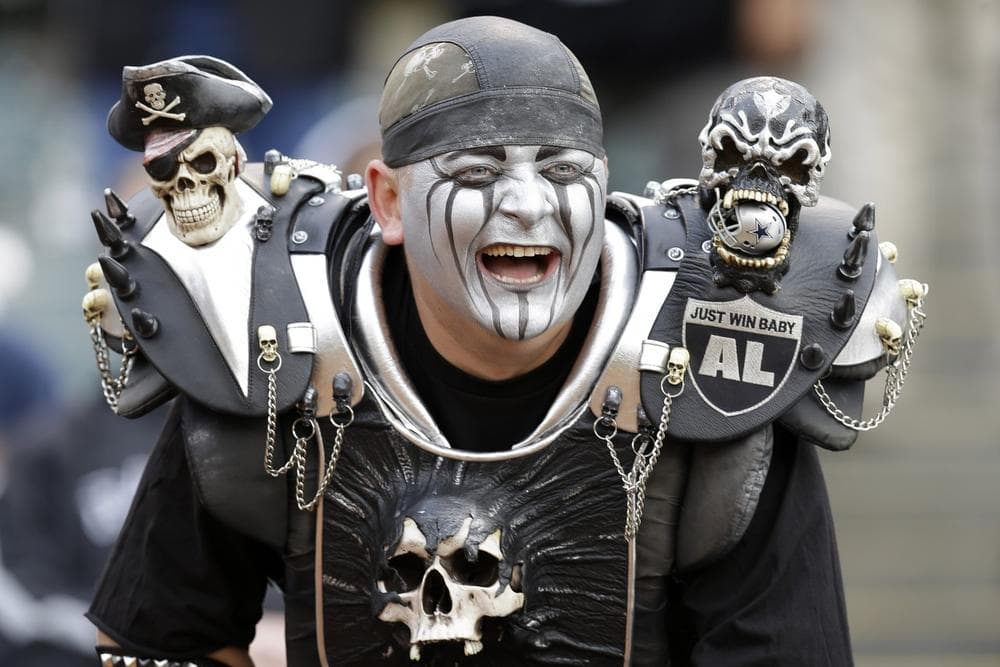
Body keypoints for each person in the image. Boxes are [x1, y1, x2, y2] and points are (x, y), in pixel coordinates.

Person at [83, 16, 925, 667]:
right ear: (386, 201)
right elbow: (162, 639)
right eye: (480, 171)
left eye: (562, 170)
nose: (526, 203)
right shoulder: (271, 355)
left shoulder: (716, 372)